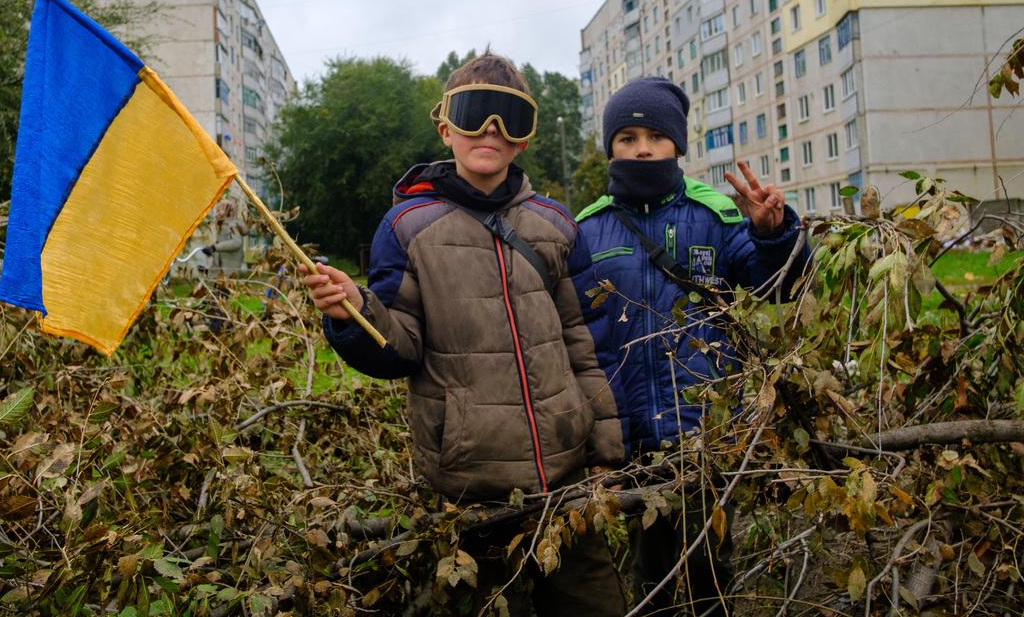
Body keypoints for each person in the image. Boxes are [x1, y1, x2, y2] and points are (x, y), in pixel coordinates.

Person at [300, 53, 625, 615]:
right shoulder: (407, 228)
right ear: (446, 126)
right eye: (475, 113)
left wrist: (607, 452)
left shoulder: (555, 226)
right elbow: (399, 348)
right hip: (470, 486)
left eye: (509, 118)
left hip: (565, 478)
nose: (491, 132)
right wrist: (353, 312)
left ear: (524, 138)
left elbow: (587, 343)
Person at [575, 76, 809, 616]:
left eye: (655, 135)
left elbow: (778, 287)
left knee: (708, 571)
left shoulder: (716, 215)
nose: (642, 148)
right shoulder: (587, 229)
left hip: (702, 430)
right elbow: (578, 333)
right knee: (647, 574)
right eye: (627, 137)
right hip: (627, 437)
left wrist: (774, 234)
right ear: (610, 146)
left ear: (677, 144)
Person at [203, 200, 246, 275]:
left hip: (230, 270)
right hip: (220, 272)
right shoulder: (222, 227)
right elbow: (222, 249)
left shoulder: (234, 225)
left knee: (227, 285)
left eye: (219, 210)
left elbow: (236, 242)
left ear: (227, 211)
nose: (216, 214)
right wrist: (211, 251)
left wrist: (215, 247)